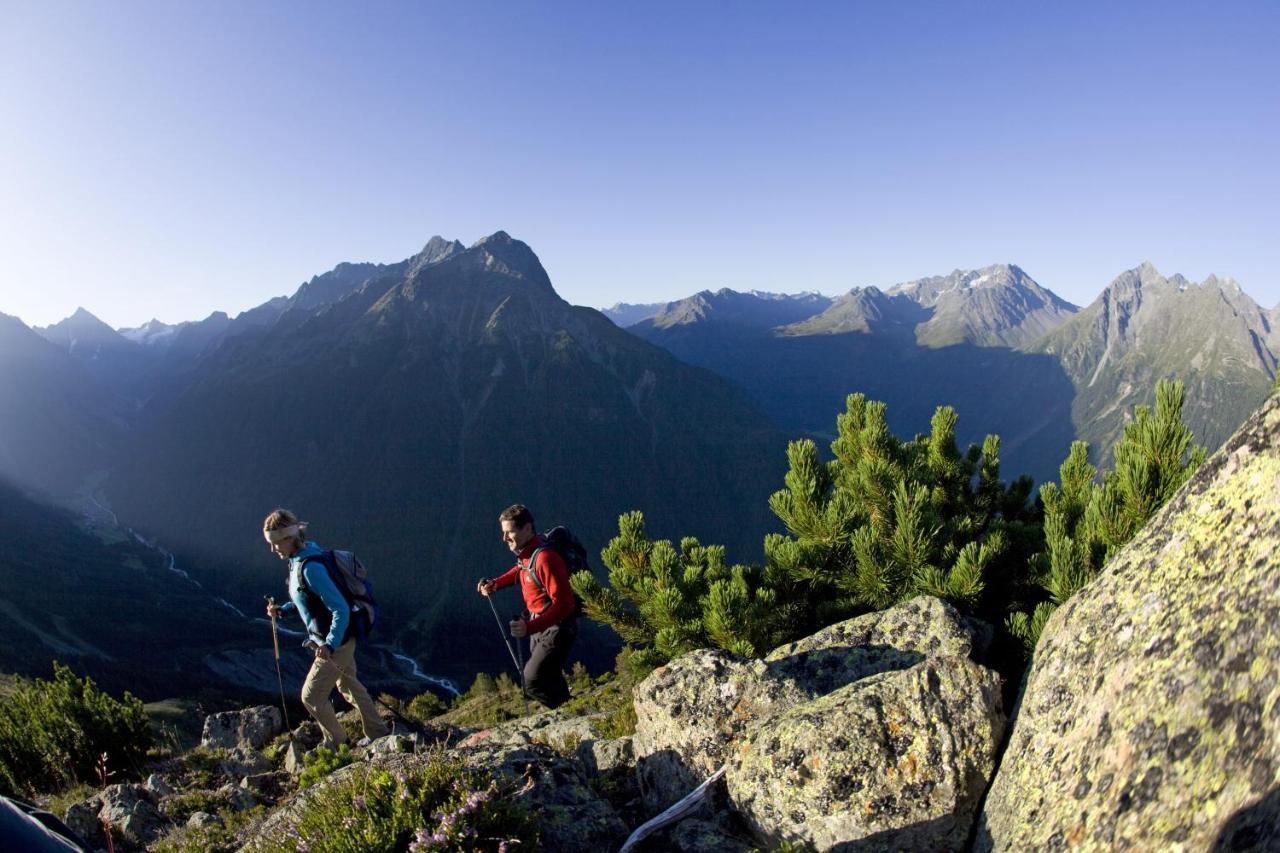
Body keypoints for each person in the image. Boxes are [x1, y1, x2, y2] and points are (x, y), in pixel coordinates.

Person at [263, 508, 388, 748]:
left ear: (290, 538)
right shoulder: (301, 560)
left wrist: (330, 643)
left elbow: (340, 608)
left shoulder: (310, 568)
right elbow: (308, 599)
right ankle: (378, 733)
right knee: (348, 684)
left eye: (276, 542)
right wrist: (283, 609)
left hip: (335, 642)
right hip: (336, 639)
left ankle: (336, 743)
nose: (273, 549)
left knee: (311, 696)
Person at [476, 504, 578, 708]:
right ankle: (571, 710)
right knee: (550, 676)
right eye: (503, 532)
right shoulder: (530, 553)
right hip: (539, 625)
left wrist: (529, 628)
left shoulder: (546, 559)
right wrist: (495, 584)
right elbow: (521, 568)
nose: (504, 539)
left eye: (509, 532)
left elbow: (565, 604)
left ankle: (567, 714)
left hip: (556, 629)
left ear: (527, 529)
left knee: (531, 681)